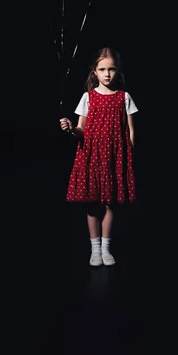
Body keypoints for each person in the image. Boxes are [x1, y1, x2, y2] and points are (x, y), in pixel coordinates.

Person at [59, 47, 138, 267]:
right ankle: (94, 249)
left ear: (117, 70)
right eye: (102, 69)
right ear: (94, 71)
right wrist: (70, 128)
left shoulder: (124, 97)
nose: (107, 74)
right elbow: (81, 130)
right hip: (92, 156)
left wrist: (129, 153)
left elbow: (131, 129)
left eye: (111, 69)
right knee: (92, 205)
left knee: (110, 203)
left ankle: (106, 248)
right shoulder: (88, 97)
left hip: (114, 156)